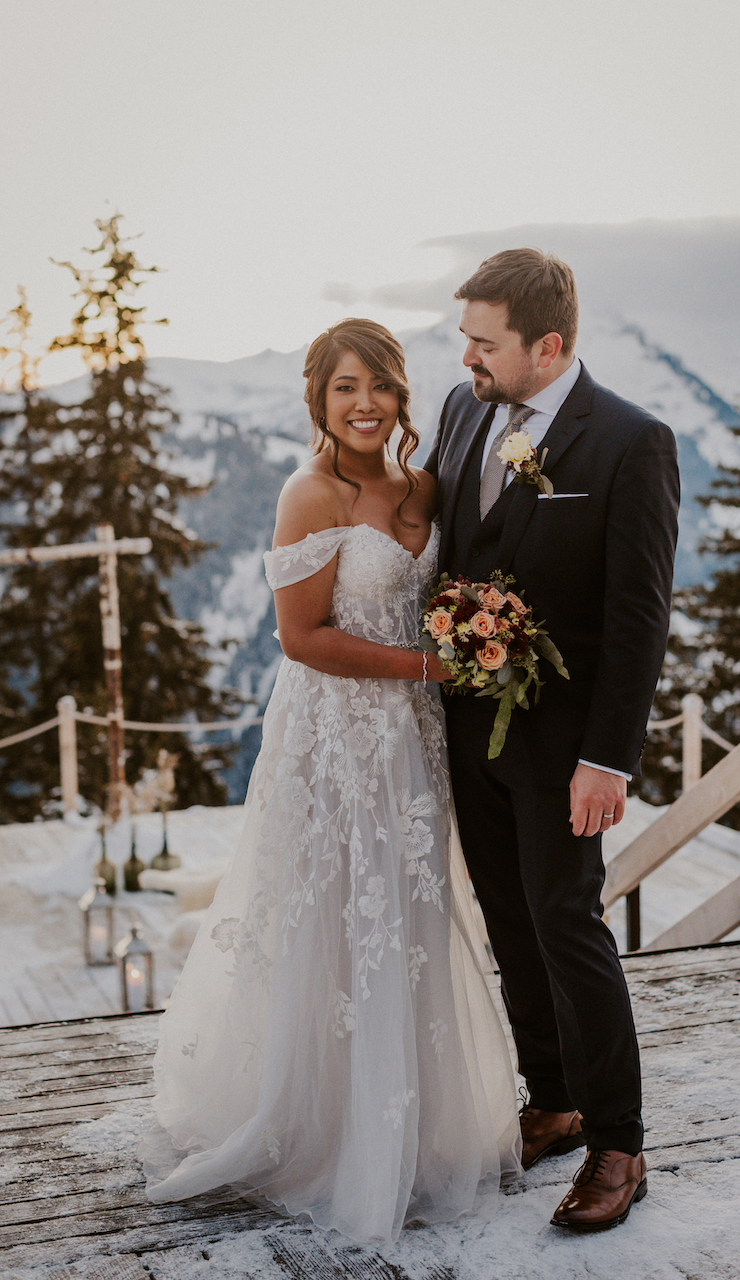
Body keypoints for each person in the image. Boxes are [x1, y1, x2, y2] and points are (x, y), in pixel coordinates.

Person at [140, 318, 522, 1248]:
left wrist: (476, 635)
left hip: (416, 742)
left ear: (400, 395)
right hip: (337, 740)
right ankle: (326, 1128)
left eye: (380, 387)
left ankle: (415, 1128)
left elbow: (436, 597)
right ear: (319, 398)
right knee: (337, 914)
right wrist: (429, 670)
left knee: (411, 909)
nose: (364, 405)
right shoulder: (307, 494)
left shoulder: (422, 484)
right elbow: (300, 637)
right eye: (345, 388)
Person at [425, 249, 679, 1233]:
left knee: (567, 921)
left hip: (565, 743)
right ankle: (553, 1098)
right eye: (465, 338)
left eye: (483, 342)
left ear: (549, 346)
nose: (466, 356)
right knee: (506, 914)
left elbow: (636, 616)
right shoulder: (461, 407)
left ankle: (618, 1139)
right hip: (467, 730)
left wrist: (607, 758)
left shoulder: (629, 442)